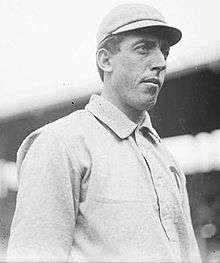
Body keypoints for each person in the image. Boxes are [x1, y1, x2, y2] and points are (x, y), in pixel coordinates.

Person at [7, 3, 201, 262]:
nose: (160, 62)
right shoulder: (60, 143)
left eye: (164, 53)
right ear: (105, 59)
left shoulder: (166, 159)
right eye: (143, 48)